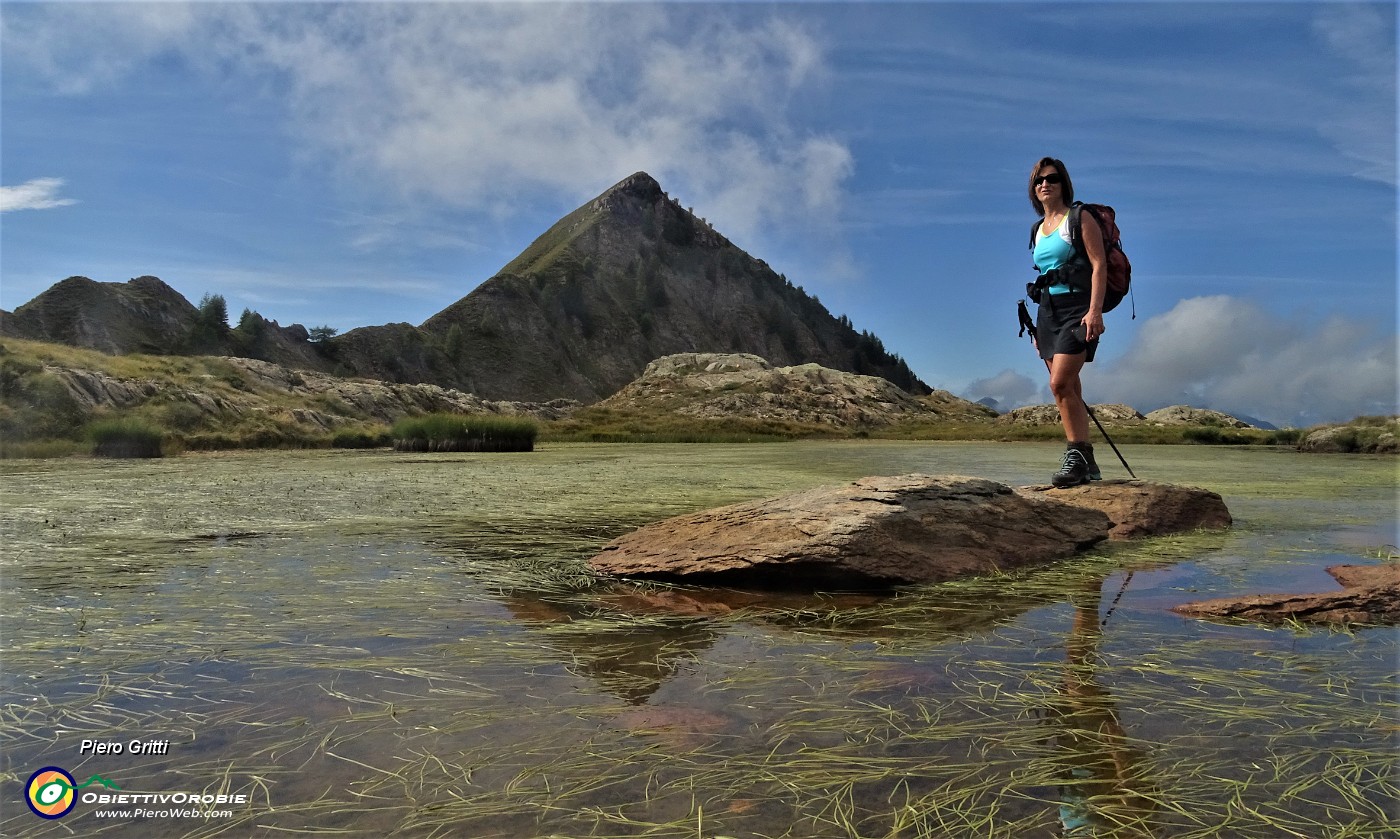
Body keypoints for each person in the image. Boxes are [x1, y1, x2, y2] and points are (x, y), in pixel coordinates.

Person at [1028, 157, 1106, 487]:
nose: (1045, 184)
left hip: (1078, 308)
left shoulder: (1079, 217)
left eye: (1052, 179)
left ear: (1064, 184)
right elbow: (1045, 276)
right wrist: (1037, 328)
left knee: (1059, 383)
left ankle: (1075, 453)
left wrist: (1095, 311)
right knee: (1069, 387)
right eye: (1039, 180)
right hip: (1048, 312)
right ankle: (1086, 463)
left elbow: (1099, 265)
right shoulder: (1037, 230)